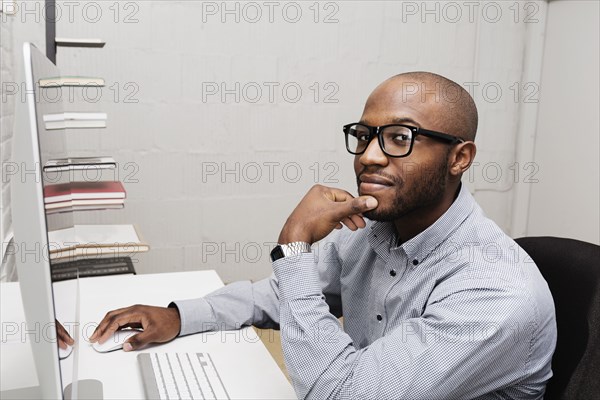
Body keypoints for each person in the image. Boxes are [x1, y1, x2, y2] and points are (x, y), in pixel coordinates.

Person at [91, 72, 557, 399]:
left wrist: (294, 246)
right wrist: (183, 316)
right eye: (364, 135)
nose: (369, 156)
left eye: (400, 138)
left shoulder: (497, 292)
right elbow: (284, 295)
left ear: (460, 158)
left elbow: (341, 393)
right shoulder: (372, 230)